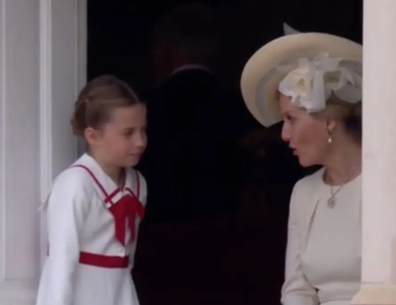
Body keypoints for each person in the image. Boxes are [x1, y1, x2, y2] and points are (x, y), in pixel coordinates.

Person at [240, 33, 362, 305]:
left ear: (328, 120)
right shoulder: (304, 192)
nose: (283, 135)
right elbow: (297, 290)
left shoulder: (386, 182)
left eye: (290, 119)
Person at [35, 75, 147, 305]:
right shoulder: (75, 185)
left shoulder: (138, 184)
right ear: (92, 135)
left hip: (121, 294)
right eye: (128, 133)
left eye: (143, 131)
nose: (140, 142)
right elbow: (61, 264)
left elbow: (128, 256)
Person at [139, 2, 243, 223]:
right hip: (226, 230)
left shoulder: (149, 107)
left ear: (166, 50)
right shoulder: (235, 105)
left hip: (162, 230)